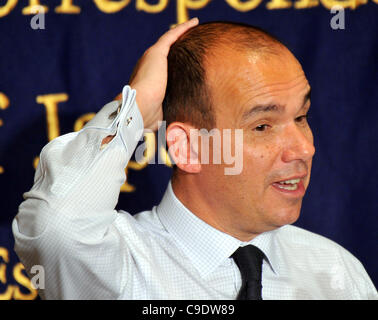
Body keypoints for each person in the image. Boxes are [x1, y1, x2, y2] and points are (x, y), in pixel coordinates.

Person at [12, 18, 377, 300]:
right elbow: (55, 226)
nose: (303, 149)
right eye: (263, 126)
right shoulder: (115, 267)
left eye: (301, 118)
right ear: (187, 148)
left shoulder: (336, 273)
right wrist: (136, 105)